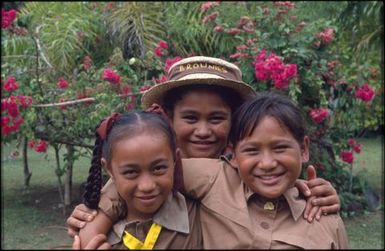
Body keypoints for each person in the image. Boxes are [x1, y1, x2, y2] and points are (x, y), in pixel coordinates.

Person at [67, 56, 340, 240]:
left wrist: (306, 190)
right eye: (190, 118)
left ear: (234, 124)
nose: (203, 131)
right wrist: (96, 221)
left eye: (217, 118)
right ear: (167, 117)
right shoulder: (143, 181)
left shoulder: (243, 177)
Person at [181, 92, 349, 248]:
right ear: (233, 154)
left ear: (304, 149)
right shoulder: (215, 179)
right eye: (252, 150)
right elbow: (159, 169)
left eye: (280, 148)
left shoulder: (325, 222)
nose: (267, 164)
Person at [77, 111, 202, 249]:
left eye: (159, 168)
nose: (147, 186)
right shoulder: (99, 239)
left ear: (175, 159)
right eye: (131, 172)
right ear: (109, 169)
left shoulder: (198, 215)